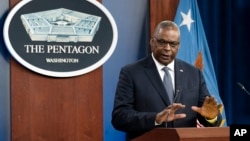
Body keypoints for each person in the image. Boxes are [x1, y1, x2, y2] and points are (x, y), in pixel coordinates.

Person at [111, 20, 223, 140]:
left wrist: (211, 118)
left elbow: (206, 113)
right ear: (152, 42)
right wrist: (155, 119)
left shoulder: (193, 73)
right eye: (162, 42)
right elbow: (119, 117)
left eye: (173, 44)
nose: (167, 48)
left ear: (179, 46)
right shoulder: (131, 72)